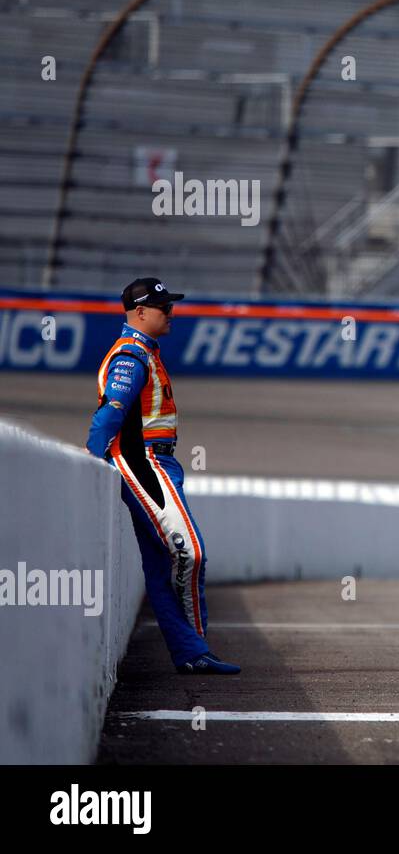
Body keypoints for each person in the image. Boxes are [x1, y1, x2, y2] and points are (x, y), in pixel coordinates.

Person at [85, 278, 240, 675]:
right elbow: (110, 414)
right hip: (145, 464)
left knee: (158, 566)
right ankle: (198, 647)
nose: (171, 312)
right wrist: (92, 458)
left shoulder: (144, 353)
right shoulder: (131, 356)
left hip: (156, 464)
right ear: (139, 313)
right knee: (191, 552)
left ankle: (190, 652)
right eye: (162, 307)